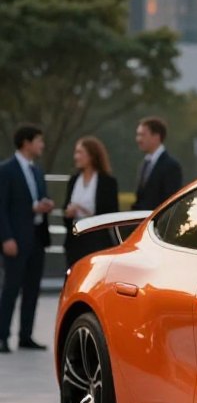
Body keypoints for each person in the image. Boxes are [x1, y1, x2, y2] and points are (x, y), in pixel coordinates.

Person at [0, 124, 54, 353]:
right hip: (15, 240)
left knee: (32, 289)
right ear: (26, 142)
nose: (42, 145)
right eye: (39, 141)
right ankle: (2, 336)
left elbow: (39, 198)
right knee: (10, 289)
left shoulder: (37, 170)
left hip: (37, 239)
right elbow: (1, 208)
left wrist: (45, 204)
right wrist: (6, 238)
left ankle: (26, 335)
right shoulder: (6, 170)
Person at [63, 136, 119, 269]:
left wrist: (86, 211)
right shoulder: (74, 180)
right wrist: (68, 213)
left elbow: (112, 212)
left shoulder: (107, 182)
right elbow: (65, 209)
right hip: (75, 242)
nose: (76, 156)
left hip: (97, 242)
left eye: (80, 152)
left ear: (92, 155)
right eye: (76, 152)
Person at [132, 116, 183, 210]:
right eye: (138, 135)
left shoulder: (171, 166)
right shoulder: (144, 164)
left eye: (142, 135)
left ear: (156, 137)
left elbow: (171, 204)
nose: (138, 139)